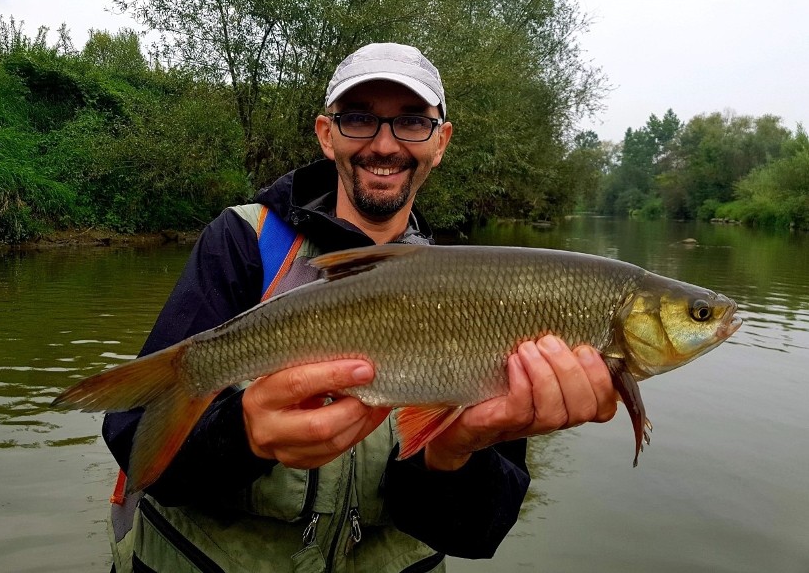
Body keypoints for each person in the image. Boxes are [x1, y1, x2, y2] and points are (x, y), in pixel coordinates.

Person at [102, 42, 617, 573]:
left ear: (440, 142)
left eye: (412, 122)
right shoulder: (242, 239)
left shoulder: (482, 291)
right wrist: (243, 434)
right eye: (359, 120)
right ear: (327, 135)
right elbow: (137, 449)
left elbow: (476, 534)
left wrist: (453, 452)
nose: (385, 144)